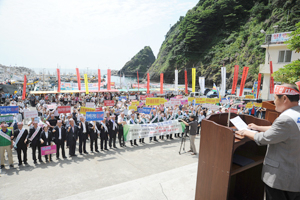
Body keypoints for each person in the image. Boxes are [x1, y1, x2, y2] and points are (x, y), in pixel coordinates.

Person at [236, 84, 300, 199]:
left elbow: (263, 138)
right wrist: (258, 127)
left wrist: (246, 132)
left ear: (285, 98)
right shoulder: (296, 114)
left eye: (275, 98)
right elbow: (284, 131)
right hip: (295, 177)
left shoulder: (285, 119)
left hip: (281, 179)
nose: (274, 102)